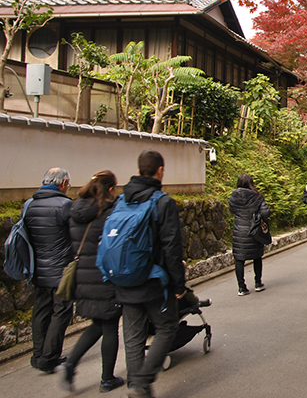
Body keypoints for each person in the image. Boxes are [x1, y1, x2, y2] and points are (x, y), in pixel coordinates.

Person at [116, 150, 187, 398]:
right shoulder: (162, 202)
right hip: (154, 281)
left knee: (133, 336)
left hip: (123, 278)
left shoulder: (121, 200)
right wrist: (180, 285)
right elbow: (171, 247)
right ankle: (142, 383)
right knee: (166, 328)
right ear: (160, 171)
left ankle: (136, 387)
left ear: (138, 172)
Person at [59, 171, 124, 393]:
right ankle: (107, 379)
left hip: (82, 277)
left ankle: (70, 364)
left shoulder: (76, 210)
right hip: (103, 275)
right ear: (111, 189)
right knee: (109, 326)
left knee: (97, 324)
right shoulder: (108, 212)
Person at [27, 167, 74, 374]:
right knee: (61, 311)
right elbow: (74, 234)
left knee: (40, 311)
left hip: (37, 268)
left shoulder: (29, 205)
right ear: (63, 184)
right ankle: (49, 357)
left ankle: (38, 354)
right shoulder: (65, 205)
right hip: (60, 270)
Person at [229, 174, 272, 296]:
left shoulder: (234, 195)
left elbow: (231, 209)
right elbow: (265, 212)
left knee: (239, 258)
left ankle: (241, 287)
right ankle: (258, 283)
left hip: (239, 230)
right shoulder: (257, 195)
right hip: (254, 230)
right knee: (257, 257)